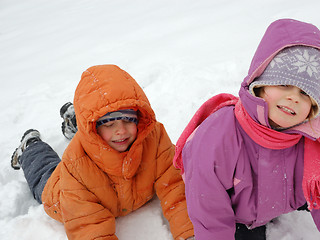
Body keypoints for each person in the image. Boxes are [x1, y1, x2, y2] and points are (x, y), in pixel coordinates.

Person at [173, 19, 320, 240]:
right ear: (260, 85)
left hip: (281, 195)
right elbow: (209, 210)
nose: (293, 98)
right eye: (283, 85)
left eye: (305, 94)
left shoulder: (317, 142)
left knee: (318, 191)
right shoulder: (218, 138)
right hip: (237, 214)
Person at [11, 64, 195, 240]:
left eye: (128, 120)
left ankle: (76, 117)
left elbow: (175, 187)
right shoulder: (75, 167)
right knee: (44, 172)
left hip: (97, 144)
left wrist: (190, 232)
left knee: (103, 121)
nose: (121, 130)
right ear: (93, 128)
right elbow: (89, 227)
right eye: (109, 124)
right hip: (63, 195)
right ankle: (31, 147)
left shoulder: (154, 138)